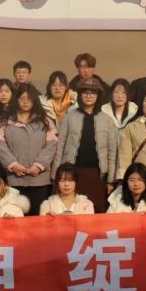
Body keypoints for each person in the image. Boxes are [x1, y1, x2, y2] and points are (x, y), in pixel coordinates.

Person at [54, 78, 118, 212]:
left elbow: (112, 152)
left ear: (98, 96)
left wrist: (110, 180)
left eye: (93, 93)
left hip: (98, 175)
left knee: (97, 211)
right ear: (80, 95)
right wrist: (55, 175)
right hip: (73, 174)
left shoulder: (107, 120)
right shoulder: (69, 117)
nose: (89, 96)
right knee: (73, 211)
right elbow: (59, 147)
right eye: (85, 93)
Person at [0, 83, 58, 215]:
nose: (25, 102)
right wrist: (13, 165)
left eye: (29, 99)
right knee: (15, 218)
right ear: (16, 100)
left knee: (38, 218)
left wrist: (38, 166)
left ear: (34, 100)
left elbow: (51, 145)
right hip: (14, 179)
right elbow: (0, 145)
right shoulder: (5, 121)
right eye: (22, 98)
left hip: (39, 180)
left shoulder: (46, 121)